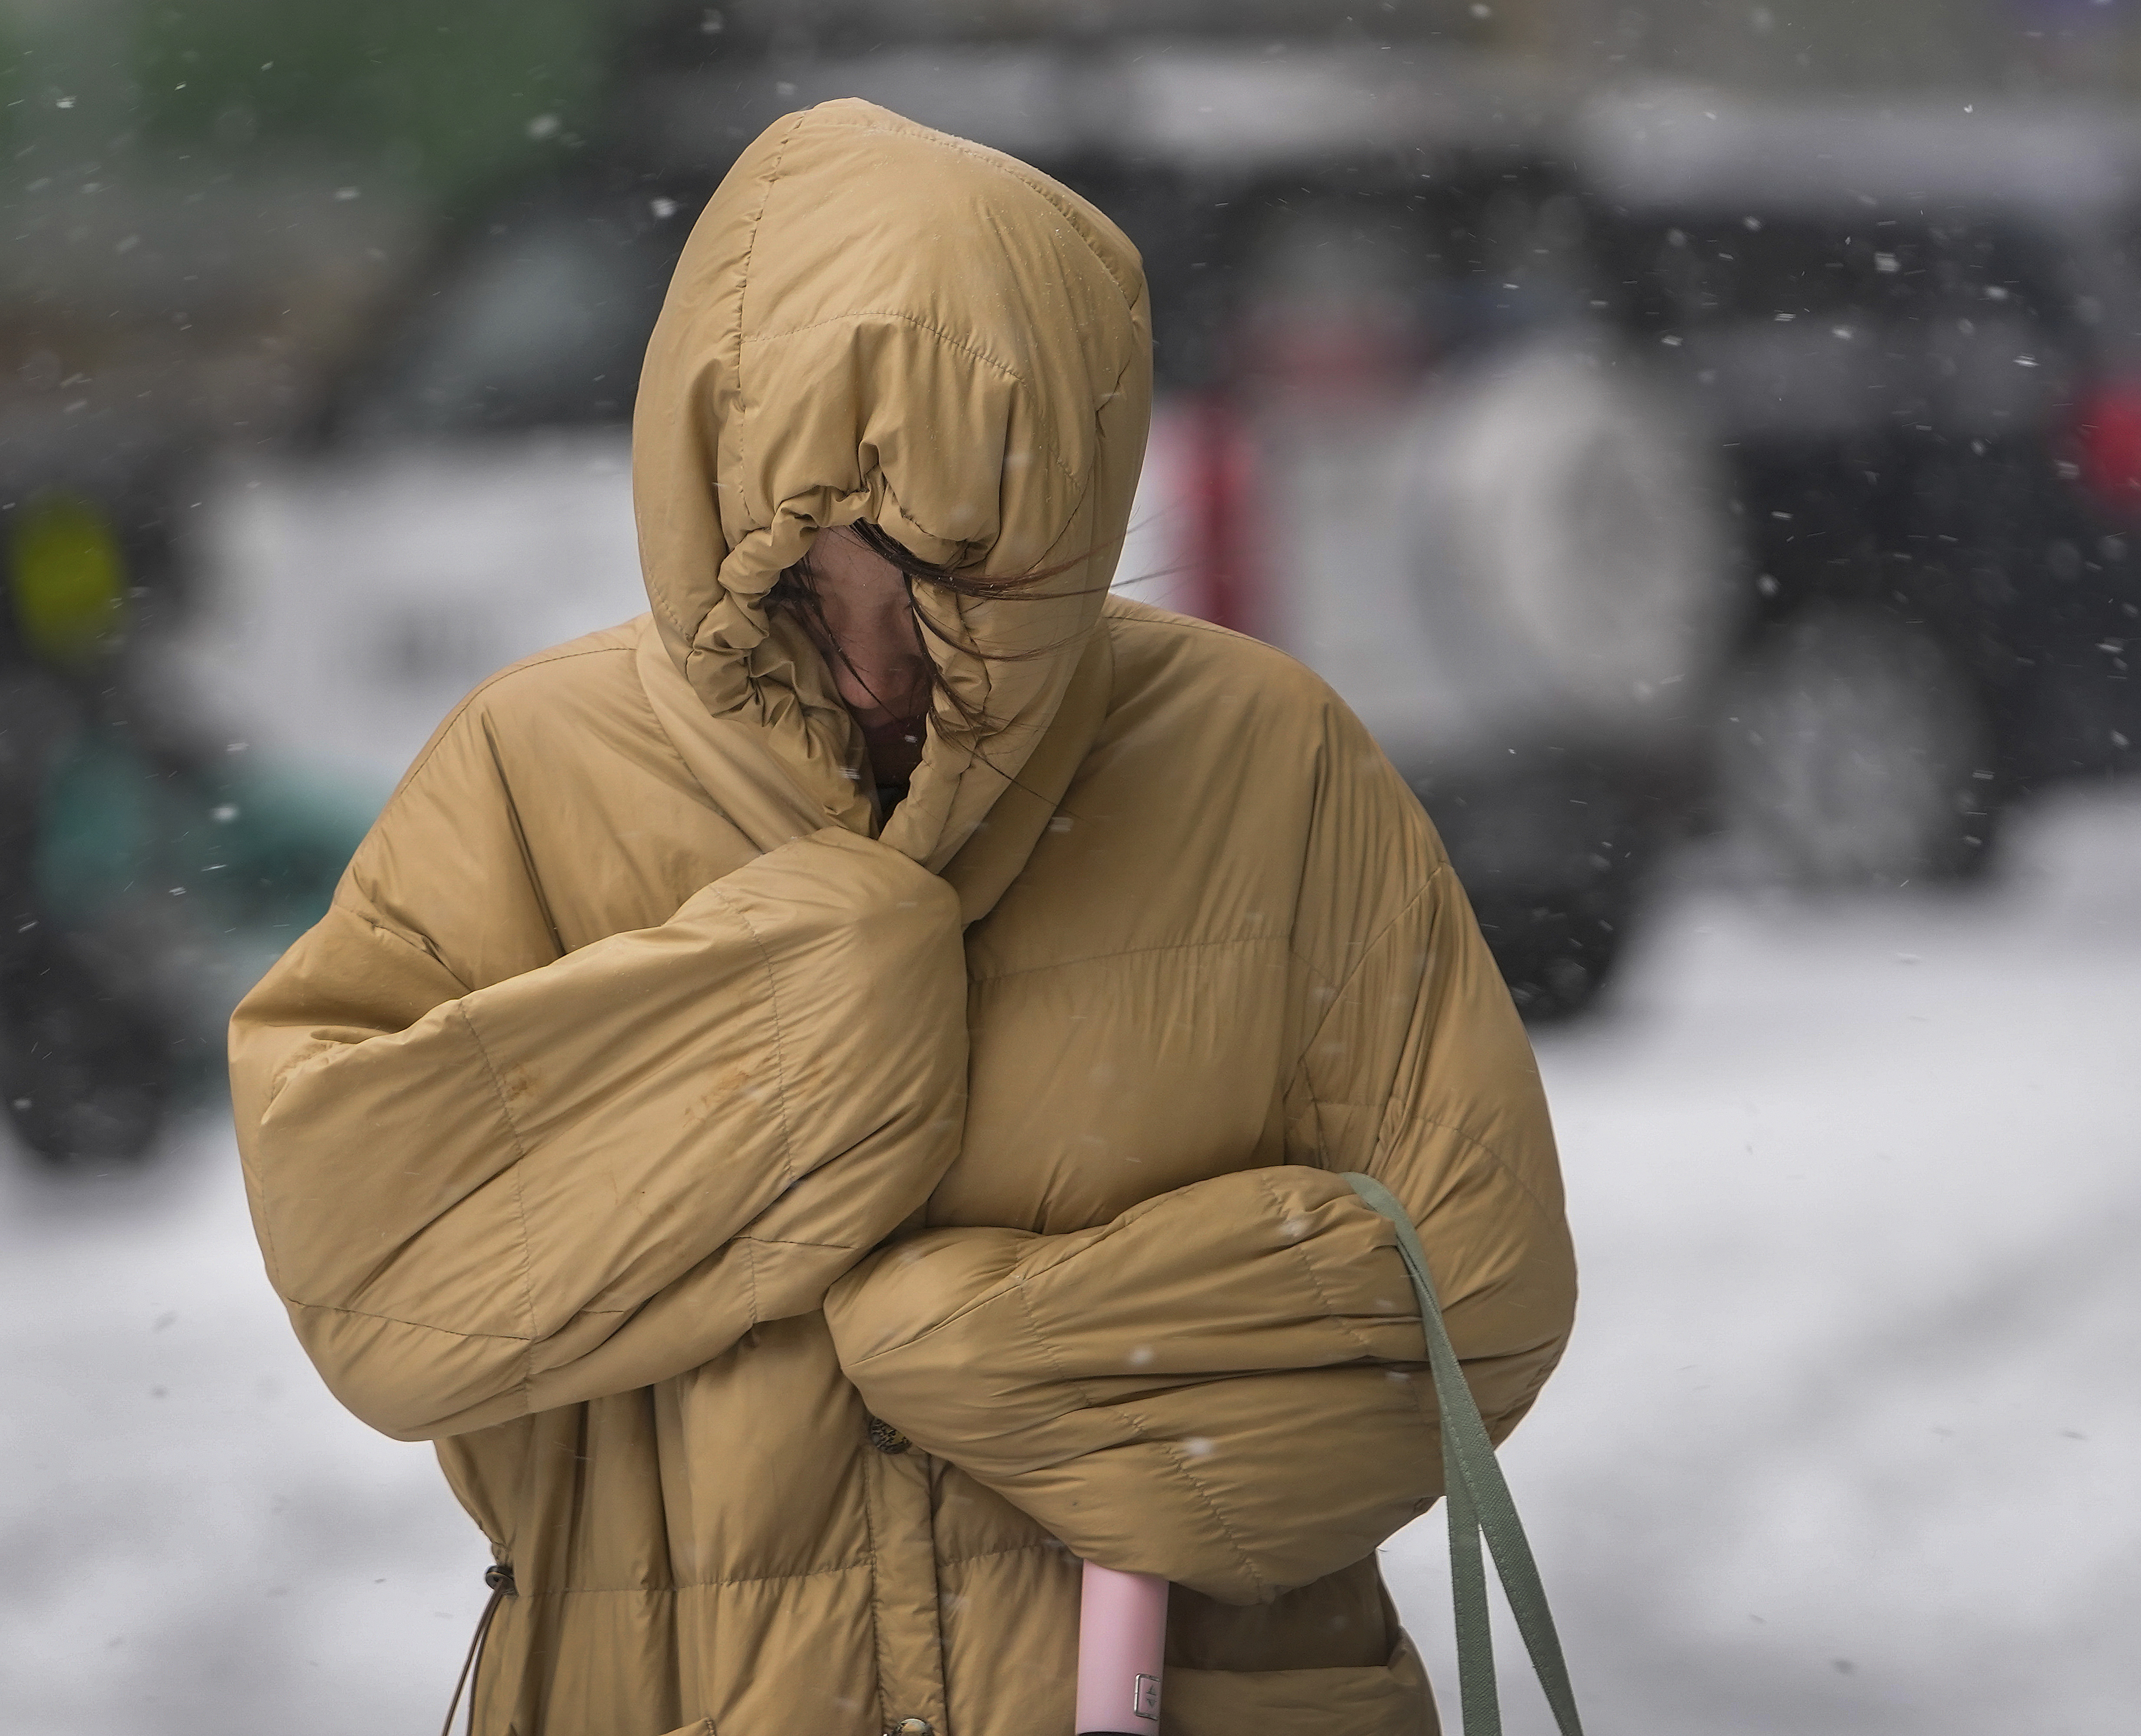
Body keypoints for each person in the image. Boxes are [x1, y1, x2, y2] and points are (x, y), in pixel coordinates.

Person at [229, 100, 1574, 1736]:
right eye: (804, 576)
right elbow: (375, 1272)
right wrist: (807, 1017)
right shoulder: (533, 770)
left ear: (1068, 525)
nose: (877, 664)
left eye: (962, 584)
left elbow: (1474, 1288)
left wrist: (1028, 1362)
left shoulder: (1258, 761)